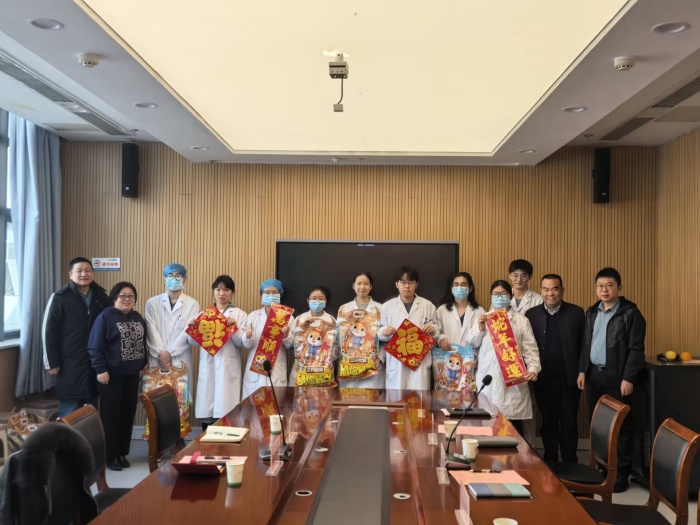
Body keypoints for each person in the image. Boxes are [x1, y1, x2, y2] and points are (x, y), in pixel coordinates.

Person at [578, 267, 646, 493]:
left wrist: (629, 377)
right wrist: (582, 371)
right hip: (595, 376)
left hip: (618, 378)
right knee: (599, 425)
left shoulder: (630, 313)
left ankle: (621, 474)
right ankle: (603, 468)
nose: (604, 290)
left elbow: (636, 349)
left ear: (619, 287)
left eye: (609, 285)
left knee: (621, 427)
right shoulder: (592, 312)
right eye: (600, 286)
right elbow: (586, 345)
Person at [525, 274, 585, 463]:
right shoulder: (531, 315)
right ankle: (550, 460)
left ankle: (570, 462)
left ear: (562, 290)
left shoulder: (576, 313)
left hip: (569, 379)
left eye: (555, 289)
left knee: (569, 421)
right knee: (548, 422)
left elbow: (584, 345)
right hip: (543, 379)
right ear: (540, 291)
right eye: (546, 289)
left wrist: (582, 371)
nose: (550, 293)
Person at [88, 282, 147, 471]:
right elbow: (94, 347)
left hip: (132, 375)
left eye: (131, 296)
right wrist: (100, 370)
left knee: (128, 414)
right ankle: (110, 455)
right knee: (111, 415)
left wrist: (142, 366)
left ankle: (122, 453)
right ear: (114, 297)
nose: (127, 299)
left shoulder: (137, 317)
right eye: (123, 296)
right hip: (111, 375)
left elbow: (142, 344)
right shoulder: (105, 317)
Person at [43, 257, 111, 418]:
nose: (83, 274)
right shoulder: (60, 297)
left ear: (92, 273)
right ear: (70, 274)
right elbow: (49, 330)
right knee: (69, 407)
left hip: (94, 362)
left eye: (87, 270)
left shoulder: (101, 297)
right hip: (69, 363)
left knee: (91, 409)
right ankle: (66, 435)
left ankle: (88, 435)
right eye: (79, 271)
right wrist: (52, 362)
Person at [470, 280, 540, 435]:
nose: (499, 297)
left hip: (513, 381)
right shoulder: (484, 318)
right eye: (495, 294)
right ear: (490, 296)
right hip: (488, 379)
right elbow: (473, 343)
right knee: (487, 428)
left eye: (503, 294)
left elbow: (530, 349)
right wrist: (481, 328)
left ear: (511, 296)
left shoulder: (521, 320)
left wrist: (533, 368)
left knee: (512, 431)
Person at [188, 276, 247, 429]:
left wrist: (235, 328)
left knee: (226, 408)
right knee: (207, 406)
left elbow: (242, 342)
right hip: (208, 366)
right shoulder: (204, 314)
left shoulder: (239, 314)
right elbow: (192, 342)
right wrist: (193, 329)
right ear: (213, 291)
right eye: (218, 289)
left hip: (228, 367)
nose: (222, 293)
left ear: (232, 292)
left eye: (226, 290)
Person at [379, 267, 439, 390]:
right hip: (397, 365)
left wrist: (433, 330)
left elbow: (437, 331)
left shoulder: (428, 306)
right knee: (396, 400)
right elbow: (379, 333)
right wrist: (384, 332)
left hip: (420, 365)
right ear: (397, 284)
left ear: (416, 285)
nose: (407, 286)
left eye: (411, 282)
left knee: (419, 400)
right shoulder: (387, 307)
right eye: (403, 282)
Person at [144, 263, 201, 386]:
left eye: (178, 276)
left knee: (180, 395)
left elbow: (186, 332)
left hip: (180, 358)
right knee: (155, 394)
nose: (174, 278)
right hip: (157, 359)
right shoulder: (152, 303)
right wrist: (163, 356)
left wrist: (169, 353)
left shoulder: (193, 304)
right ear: (164, 279)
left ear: (184, 279)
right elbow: (151, 331)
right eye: (170, 276)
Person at [241, 278, 295, 399]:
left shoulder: (287, 317)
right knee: (254, 408)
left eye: (274, 292)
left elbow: (290, 345)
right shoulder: (253, 316)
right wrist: (247, 336)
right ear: (262, 294)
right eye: (267, 292)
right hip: (256, 370)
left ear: (280, 294)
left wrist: (286, 336)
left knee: (274, 407)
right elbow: (247, 345)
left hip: (276, 370)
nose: (271, 295)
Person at [337, 271, 385, 388]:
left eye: (366, 284)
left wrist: (380, 358)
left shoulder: (381, 309)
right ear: (353, 286)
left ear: (371, 286)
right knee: (349, 397)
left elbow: (386, 338)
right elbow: (338, 337)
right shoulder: (344, 309)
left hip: (372, 365)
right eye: (359, 283)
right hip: (348, 364)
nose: (362, 287)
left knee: (371, 398)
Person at [290, 286, 337, 385]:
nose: (317, 301)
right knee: (300, 394)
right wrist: (303, 328)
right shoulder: (299, 319)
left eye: (321, 299)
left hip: (323, 370)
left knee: (323, 394)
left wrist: (327, 356)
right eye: (314, 298)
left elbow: (337, 345)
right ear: (308, 300)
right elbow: (291, 343)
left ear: (325, 300)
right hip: (302, 370)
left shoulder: (331, 321)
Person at [436, 272, 485, 351]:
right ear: (451, 288)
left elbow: (483, 340)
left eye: (463, 285)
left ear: (470, 288)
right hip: (448, 355)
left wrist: (476, 357)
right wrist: (441, 339)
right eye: (456, 285)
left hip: (471, 357)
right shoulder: (442, 310)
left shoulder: (479, 311)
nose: (459, 288)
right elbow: (436, 332)